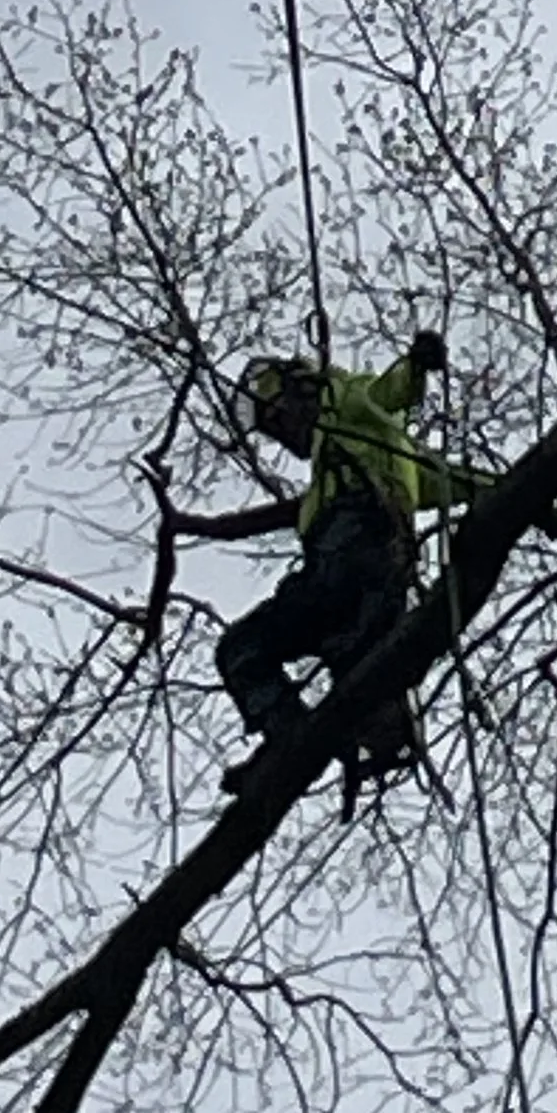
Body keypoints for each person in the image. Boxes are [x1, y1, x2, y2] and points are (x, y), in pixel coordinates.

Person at [216, 329, 474, 795]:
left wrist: (415, 365)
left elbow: (387, 393)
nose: (286, 433)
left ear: (303, 390)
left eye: (281, 419)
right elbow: (447, 480)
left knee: (252, 647)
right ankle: (331, 729)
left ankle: (317, 726)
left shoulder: (345, 402)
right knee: (271, 650)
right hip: (372, 576)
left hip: (354, 553)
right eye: (274, 430)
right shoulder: (351, 464)